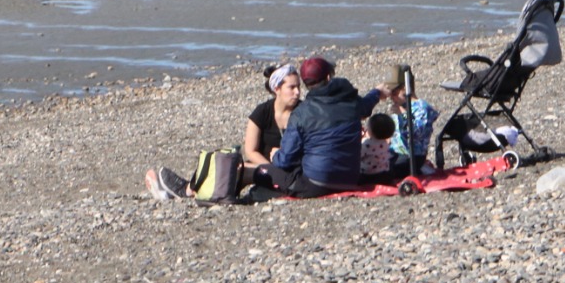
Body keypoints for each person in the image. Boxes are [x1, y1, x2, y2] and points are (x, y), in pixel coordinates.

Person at [144, 62, 300, 200]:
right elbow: (251, 151)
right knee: (227, 161)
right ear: (277, 88)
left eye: (298, 86)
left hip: (291, 171)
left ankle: (186, 191)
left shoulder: (303, 112)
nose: (297, 92)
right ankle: (189, 189)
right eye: (292, 87)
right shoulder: (262, 112)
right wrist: (271, 168)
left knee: (230, 169)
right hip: (264, 166)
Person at [250, 57, 388, 199]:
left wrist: (276, 156)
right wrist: (376, 92)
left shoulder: (301, 113)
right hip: (350, 180)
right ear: (328, 77)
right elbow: (366, 105)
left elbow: (286, 160)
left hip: (316, 184)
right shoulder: (350, 100)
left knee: (263, 171)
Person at [384, 65, 440, 178]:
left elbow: (418, 133)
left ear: (405, 88)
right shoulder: (401, 106)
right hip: (395, 152)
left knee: (386, 172)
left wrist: (404, 115)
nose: (392, 98)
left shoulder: (422, 108)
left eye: (394, 93)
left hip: (412, 156)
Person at [359, 113, 395, 185]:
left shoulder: (367, 143)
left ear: (371, 131)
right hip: (384, 175)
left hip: (367, 175)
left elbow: (358, 156)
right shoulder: (385, 143)